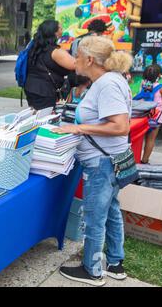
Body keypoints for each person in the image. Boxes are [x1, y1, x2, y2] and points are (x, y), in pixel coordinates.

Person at [54, 36, 133, 286]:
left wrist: (79, 129)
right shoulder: (108, 80)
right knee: (110, 210)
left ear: (89, 59)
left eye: (76, 56)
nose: (73, 60)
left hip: (102, 163)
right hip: (111, 160)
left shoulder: (107, 84)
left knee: (95, 216)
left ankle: (93, 270)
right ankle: (115, 262)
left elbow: (120, 125)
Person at [24, 20, 75, 110]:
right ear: (54, 31)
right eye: (60, 28)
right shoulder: (55, 52)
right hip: (45, 91)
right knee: (44, 119)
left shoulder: (34, 48)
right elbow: (75, 65)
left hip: (30, 87)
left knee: (35, 116)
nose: (62, 30)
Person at [133, 64, 162, 164]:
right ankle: (144, 161)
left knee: (139, 138)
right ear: (159, 75)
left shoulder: (143, 83)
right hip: (155, 117)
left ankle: (135, 159)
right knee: (150, 139)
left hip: (142, 115)